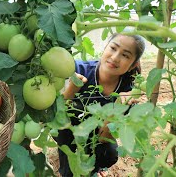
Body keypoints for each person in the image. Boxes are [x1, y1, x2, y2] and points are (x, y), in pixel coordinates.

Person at [56, 33, 145, 177]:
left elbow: (103, 138)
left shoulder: (127, 92)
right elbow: (57, 116)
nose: (115, 58)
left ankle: (94, 169)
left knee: (109, 153)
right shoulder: (78, 70)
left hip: (96, 134)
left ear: (132, 65)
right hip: (69, 129)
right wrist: (72, 89)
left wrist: (117, 109)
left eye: (125, 55)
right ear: (105, 48)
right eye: (113, 48)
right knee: (69, 163)